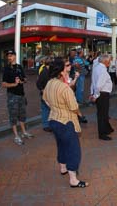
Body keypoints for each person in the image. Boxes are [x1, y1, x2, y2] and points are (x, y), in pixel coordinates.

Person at [43, 58, 88, 188]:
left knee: (61, 145)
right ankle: (73, 179)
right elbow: (74, 107)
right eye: (66, 67)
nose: (69, 68)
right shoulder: (64, 88)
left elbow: (45, 98)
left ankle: (63, 168)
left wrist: (55, 107)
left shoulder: (49, 83)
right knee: (73, 149)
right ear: (62, 71)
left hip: (53, 119)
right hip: (66, 121)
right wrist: (81, 115)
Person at [1, 50, 33, 146]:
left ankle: (24, 132)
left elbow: (25, 79)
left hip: (21, 95)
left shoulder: (19, 67)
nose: (9, 57)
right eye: (8, 56)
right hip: (12, 96)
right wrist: (14, 84)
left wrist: (22, 81)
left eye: (11, 55)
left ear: (15, 56)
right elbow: (3, 84)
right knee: (13, 116)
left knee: (22, 115)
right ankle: (16, 136)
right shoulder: (6, 69)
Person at [90, 54, 114, 140]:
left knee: (103, 113)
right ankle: (102, 133)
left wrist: (92, 93)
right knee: (102, 114)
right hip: (102, 94)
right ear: (106, 61)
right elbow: (99, 85)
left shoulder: (96, 68)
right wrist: (95, 95)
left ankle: (107, 129)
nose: (110, 62)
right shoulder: (102, 70)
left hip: (100, 94)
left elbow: (93, 82)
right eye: (109, 61)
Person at [36, 56, 52, 132]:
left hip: (48, 92)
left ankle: (48, 124)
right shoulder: (44, 71)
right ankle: (46, 125)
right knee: (46, 109)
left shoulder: (47, 70)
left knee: (47, 109)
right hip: (45, 93)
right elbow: (38, 83)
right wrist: (43, 90)